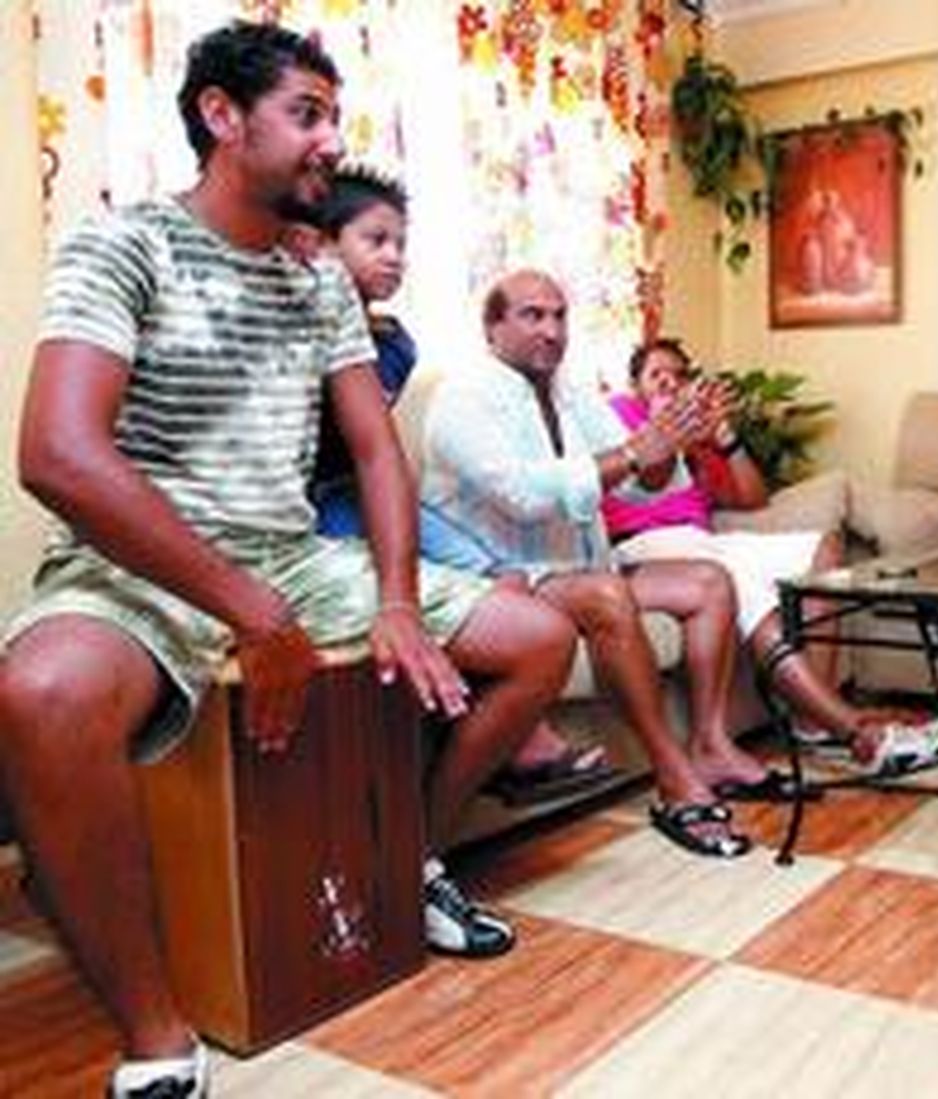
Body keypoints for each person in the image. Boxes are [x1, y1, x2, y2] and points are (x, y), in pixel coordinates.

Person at [0, 23, 582, 1097]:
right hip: (138, 564)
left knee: (541, 635)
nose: (329, 140)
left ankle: (404, 862)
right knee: (40, 693)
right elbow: (57, 453)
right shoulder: (122, 246)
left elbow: (373, 448)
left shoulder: (320, 284)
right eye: (306, 113)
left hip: (290, 555)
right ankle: (157, 1031)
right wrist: (252, 614)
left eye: (333, 116)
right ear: (223, 117)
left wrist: (399, 600)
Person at [421, 270, 783, 858]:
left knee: (710, 583)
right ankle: (674, 780)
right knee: (607, 596)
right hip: (511, 581)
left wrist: (673, 439)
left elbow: (642, 485)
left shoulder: (570, 393)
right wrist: (635, 452)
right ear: (492, 327)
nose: (551, 330)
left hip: (585, 570)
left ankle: (712, 742)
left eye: (560, 316)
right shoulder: (461, 399)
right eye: (532, 315)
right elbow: (526, 496)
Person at [306, 166, 609, 792]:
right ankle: (524, 744)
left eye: (401, 244)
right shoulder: (299, 333)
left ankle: (517, 736)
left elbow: (381, 451)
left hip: (374, 494)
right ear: (324, 245)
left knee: (503, 576)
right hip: (322, 504)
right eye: (376, 240)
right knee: (418, 589)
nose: (394, 257)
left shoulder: (395, 344)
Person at [599, 338, 938, 773]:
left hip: (701, 539)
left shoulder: (697, 438)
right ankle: (855, 730)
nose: (670, 382)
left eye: (678, 373)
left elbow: (753, 499)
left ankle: (810, 721)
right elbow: (625, 470)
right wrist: (663, 430)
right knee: (735, 583)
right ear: (635, 385)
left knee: (824, 546)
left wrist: (724, 438)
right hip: (646, 544)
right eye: (657, 374)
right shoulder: (616, 413)